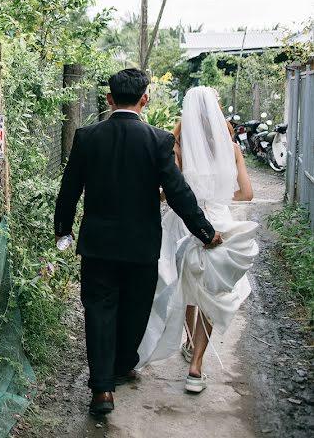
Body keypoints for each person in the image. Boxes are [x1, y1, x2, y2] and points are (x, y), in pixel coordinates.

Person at [53, 69, 221, 416]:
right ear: (145, 98)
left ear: (109, 99)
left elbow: (69, 189)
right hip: (141, 247)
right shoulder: (158, 141)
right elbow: (177, 193)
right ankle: (120, 365)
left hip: (98, 245)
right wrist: (205, 231)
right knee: (134, 311)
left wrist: (63, 230)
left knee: (99, 312)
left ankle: (102, 391)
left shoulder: (87, 137)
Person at [136, 86, 258, 393]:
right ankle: (196, 368)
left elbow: (168, 194)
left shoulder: (177, 148)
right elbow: (246, 193)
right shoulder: (231, 149)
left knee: (186, 286)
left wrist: (184, 194)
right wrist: (216, 195)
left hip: (183, 225)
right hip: (219, 224)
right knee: (211, 294)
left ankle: (189, 342)